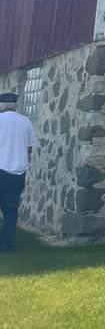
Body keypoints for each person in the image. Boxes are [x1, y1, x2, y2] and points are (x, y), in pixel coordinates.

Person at [0, 91, 37, 253]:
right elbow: (29, 148)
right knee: (10, 211)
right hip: (17, 174)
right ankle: (5, 245)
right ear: (15, 105)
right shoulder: (25, 121)